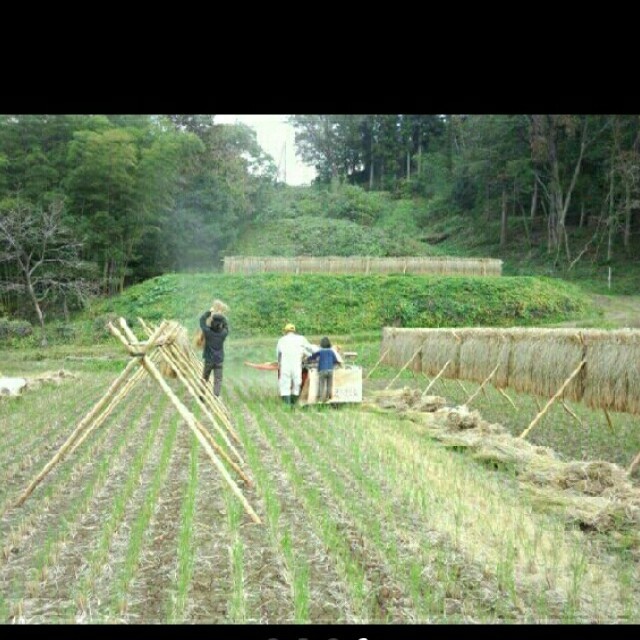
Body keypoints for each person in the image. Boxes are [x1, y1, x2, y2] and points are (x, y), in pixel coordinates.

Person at [276, 323, 315, 405]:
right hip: (296, 365)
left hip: (285, 365)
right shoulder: (301, 339)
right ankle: (294, 403)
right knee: (297, 383)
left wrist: (279, 363)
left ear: (285, 331)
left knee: (285, 384)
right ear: (294, 331)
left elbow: (278, 354)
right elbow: (310, 349)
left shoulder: (281, 340)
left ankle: (287, 404)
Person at [199, 306, 229, 398]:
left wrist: (209, 312)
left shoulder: (207, 332)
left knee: (205, 378)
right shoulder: (223, 334)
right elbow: (226, 326)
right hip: (219, 360)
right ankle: (216, 396)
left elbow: (202, 320)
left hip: (209, 360)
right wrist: (222, 316)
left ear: (211, 323)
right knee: (218, 379)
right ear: (221, 325)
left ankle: (201, 395)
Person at [306, 336, 342, 403]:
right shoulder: (331, 351)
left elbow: (312, 357)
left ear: (321, 344)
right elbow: (335, 360)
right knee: (329, 385)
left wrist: (307, 359)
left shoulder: (320, 351)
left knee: (322, 385)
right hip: (330, 370)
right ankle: (329, 398)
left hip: (322, 370)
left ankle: (321, 399)